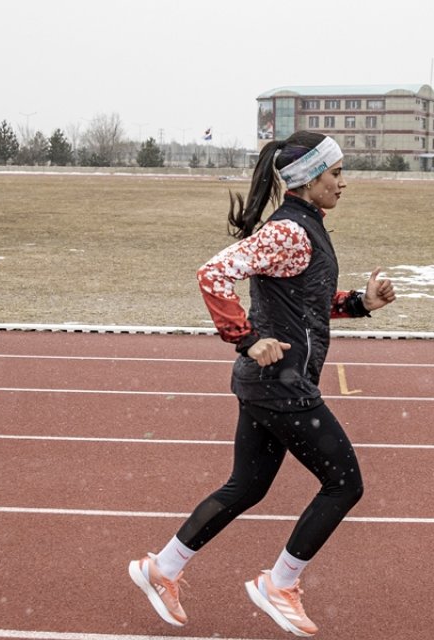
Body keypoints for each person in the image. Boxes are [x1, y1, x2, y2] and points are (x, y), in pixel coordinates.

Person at [129, 131, 395, 637]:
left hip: (269, 383)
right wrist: (247, 337)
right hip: (282, 385)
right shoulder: (291, 232)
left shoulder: (305, 229)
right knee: (344, 484)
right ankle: (280, 584)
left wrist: (361, 303)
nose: (344, 184)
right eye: (336, 174)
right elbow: (212, 274)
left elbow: (306, 300)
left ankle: (161, 568)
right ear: (309, 178)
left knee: (247, 486)